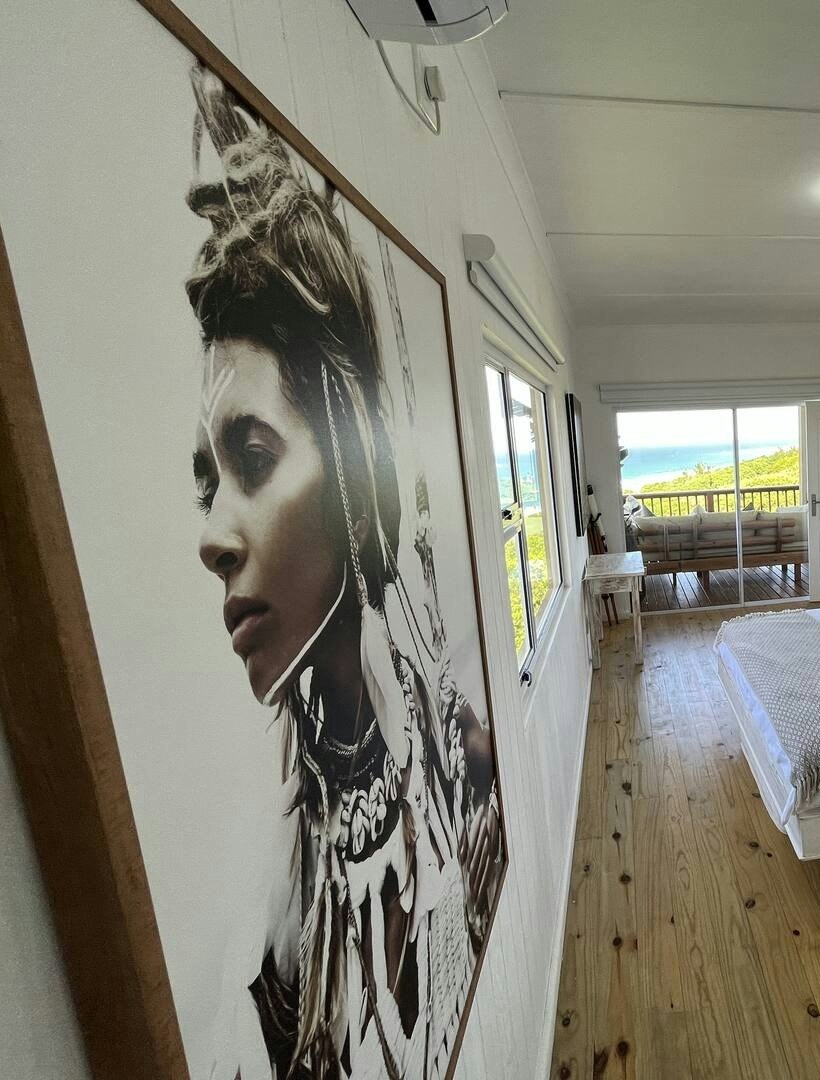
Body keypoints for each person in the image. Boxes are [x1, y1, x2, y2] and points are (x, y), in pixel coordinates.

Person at [184, 64, 503, 1078]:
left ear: (355, 473)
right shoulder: (282, 922)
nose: (214, 534)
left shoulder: (460, 757)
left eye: (254, 457)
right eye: (207, 481)